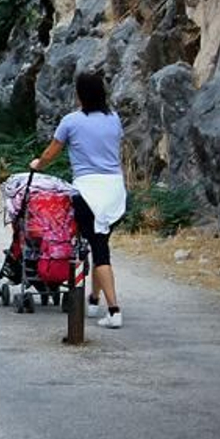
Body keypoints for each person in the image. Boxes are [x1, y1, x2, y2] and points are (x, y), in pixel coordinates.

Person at [29, 70, 128, 329]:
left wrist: (38, 164)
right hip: (115, 191)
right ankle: (94, 302)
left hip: (88, 192)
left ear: (79, 94)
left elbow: (52, 151)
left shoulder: (71, 121)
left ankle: (114, 311)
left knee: (99, 250)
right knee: (100, 244)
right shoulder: (114, 119)